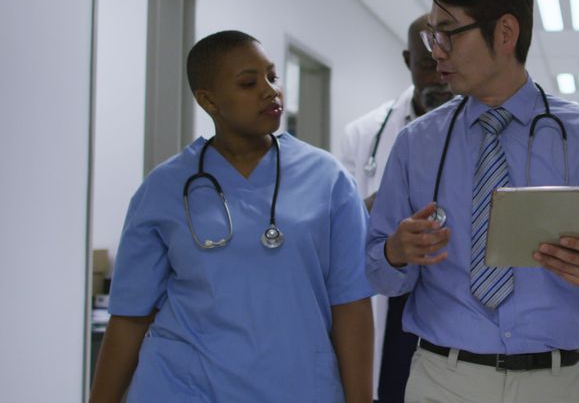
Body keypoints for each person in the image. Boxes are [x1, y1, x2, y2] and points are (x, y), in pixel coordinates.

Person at [365, 0, 579, 403]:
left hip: (555, 383)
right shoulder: (417, 143)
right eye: (434, 36)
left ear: (505, 32)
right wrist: (395, 252)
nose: (437, 54)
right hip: (443, 380)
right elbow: (379, 274)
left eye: (449, 34)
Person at [89, 31, 375, 402]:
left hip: (295, 384)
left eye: (272, 77)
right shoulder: (164, 188)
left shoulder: (329, 179)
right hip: (181, 386)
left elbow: (351, 304)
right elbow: (130, 315)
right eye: (248, 83)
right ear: (208, 100)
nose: (270, 91)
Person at [340, 15, 452, 402]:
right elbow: (346, 222)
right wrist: (382, 206)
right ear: (408, 61)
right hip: (391, 285)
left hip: (452, 283)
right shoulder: (365, 133)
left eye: (444, 65)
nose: (439, 78)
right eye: (426, 66)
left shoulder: (480, 128)